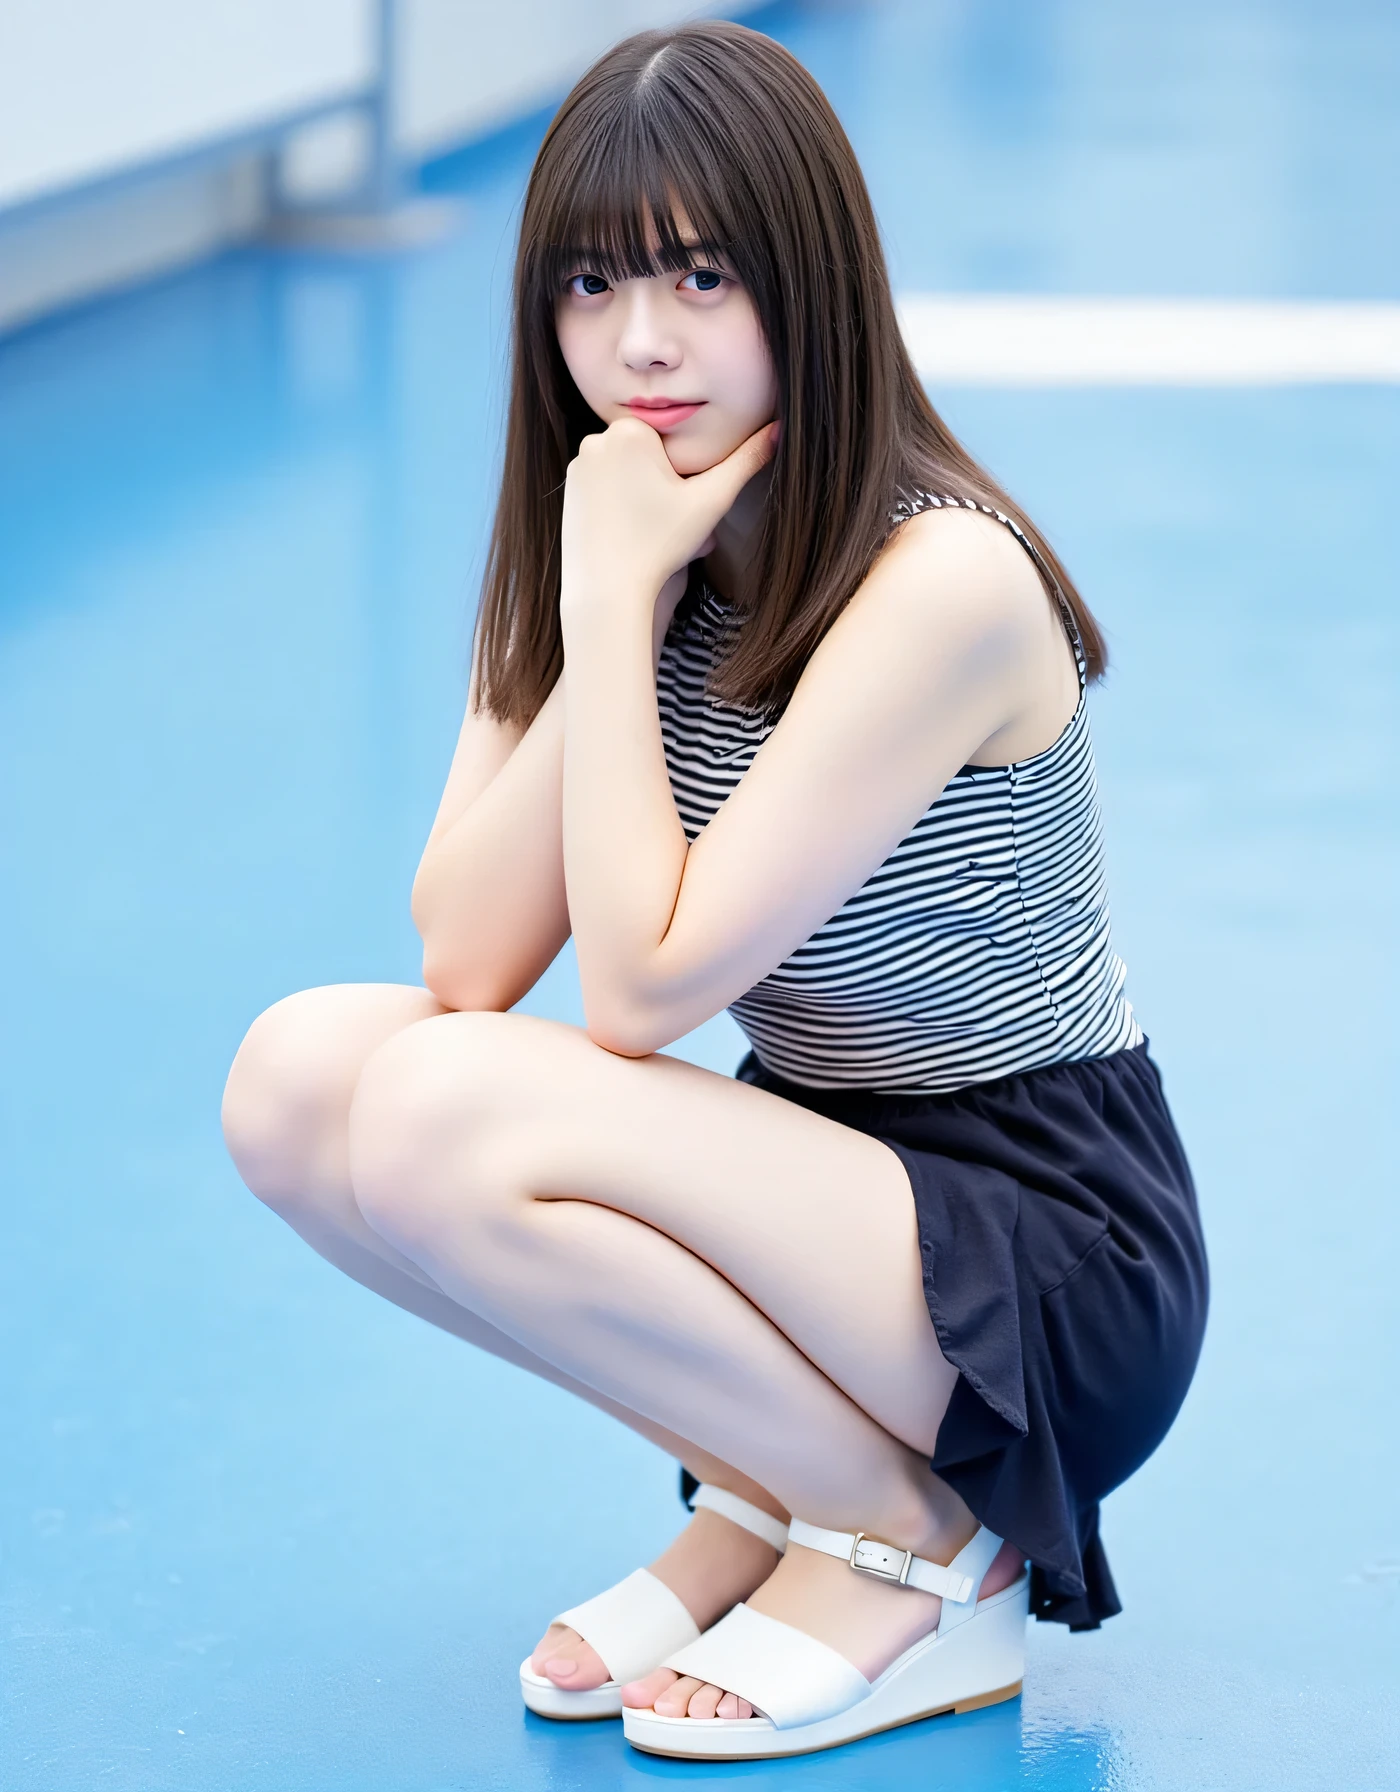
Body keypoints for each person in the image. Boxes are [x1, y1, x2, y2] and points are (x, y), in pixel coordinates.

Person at [221, 20, 1208, 1762]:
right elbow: (463, 954)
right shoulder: (617, 533)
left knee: (446, 1107)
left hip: (1041, 1258)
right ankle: (778, 1496)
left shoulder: (935, 579)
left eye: (701, 275)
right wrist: (607, 592)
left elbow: (640, 990)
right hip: (819, 1199)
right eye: (593, 282)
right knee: (303, 1083)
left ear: (808, 284)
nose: (642, 343)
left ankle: (916, 1538)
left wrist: (615, 616)